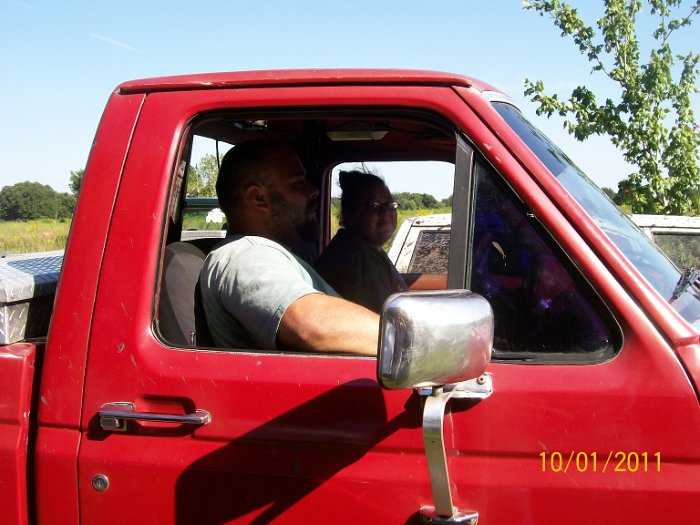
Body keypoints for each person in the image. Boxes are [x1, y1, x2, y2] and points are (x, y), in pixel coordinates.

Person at [199, 140, 379, 355]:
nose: (314, 191)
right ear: (259, 198)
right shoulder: (247, 254)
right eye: (297, 184)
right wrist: (410, 339)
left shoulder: (270, 252)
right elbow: (312, 326)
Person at [314, 170, 407, 313]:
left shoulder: (368, 251)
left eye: (390, 205)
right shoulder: (351, 260)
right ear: (349, 214)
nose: (386, 211)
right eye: (374, 205)